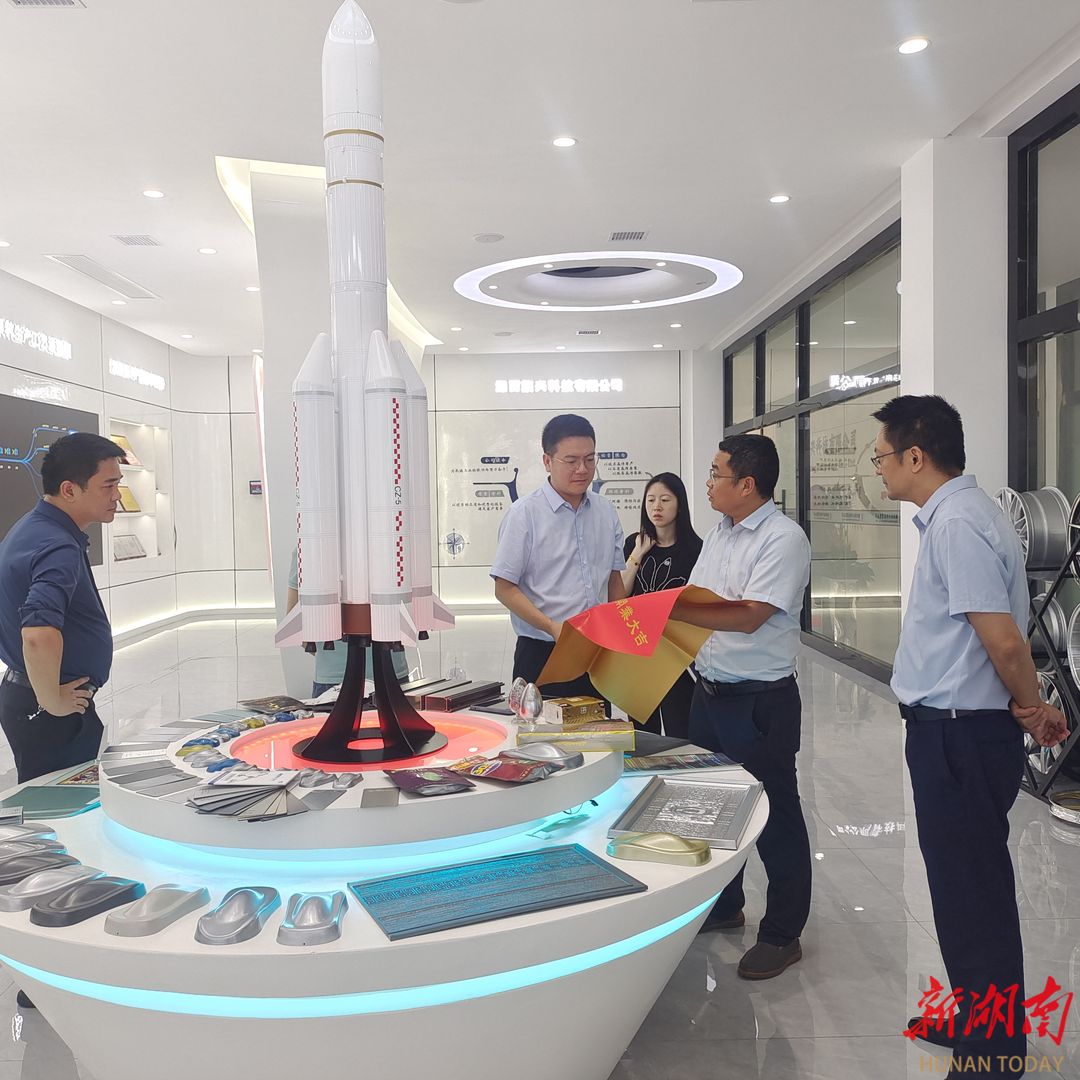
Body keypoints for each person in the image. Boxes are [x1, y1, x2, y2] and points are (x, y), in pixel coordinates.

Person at [872, 395, 1067, 1075]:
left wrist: (1034, 709)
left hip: (960, 737)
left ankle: (993, 1050)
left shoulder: (956, 523)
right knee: (963, 888)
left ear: (915, 456)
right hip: (953, 732)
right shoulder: (961, 514)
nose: (878, 468)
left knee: (972, 892)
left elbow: (1003, 640)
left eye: (882, 456)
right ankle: (980, 1017)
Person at [669, 433, 812, 980]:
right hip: (708, 693)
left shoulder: (782, 539)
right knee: (714, 807)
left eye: (716, 473)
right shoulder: (720, 534)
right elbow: (698, 598)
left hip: (760, 701)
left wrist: (672, 612)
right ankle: (726, 905)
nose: (707, 483)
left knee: (775, 816)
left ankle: (782, 934)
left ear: (747, 484)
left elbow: (750, 616)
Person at [0, 432, 125, 787]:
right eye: (108, 485)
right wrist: (51, 701)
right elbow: (38, 634)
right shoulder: (57, 545)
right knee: (59, 807)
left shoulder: (34, 528)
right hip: (48, 709)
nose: (117, 495)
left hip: (33, 698)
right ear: (69, 489)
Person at [491, 413, 625, 696]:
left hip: (596, 652)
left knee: (596, 724)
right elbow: (504, 588)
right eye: (571, 461)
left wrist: (620, 633)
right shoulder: (524, 515)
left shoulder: (605, 511)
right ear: (547, 461)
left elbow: (613, 580)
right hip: (542, 653)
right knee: (541, 725)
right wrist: (552, 627)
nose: (582, 469)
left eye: (590, 459)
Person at [620, 472, 702, 736]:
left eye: (665, 500)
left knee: (680, 732)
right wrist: (638, 553)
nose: (657, 506)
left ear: (680, 504)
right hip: (637, 652)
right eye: (651, 500)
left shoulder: (697, 550)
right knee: (642, 735)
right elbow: (620, 595)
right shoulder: (634, 543)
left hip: (676, 658)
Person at [285, 547, 408, 696]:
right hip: (338, 676)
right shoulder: (307, 549)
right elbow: (296, 622)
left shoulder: (392, 546)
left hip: (386, 671)